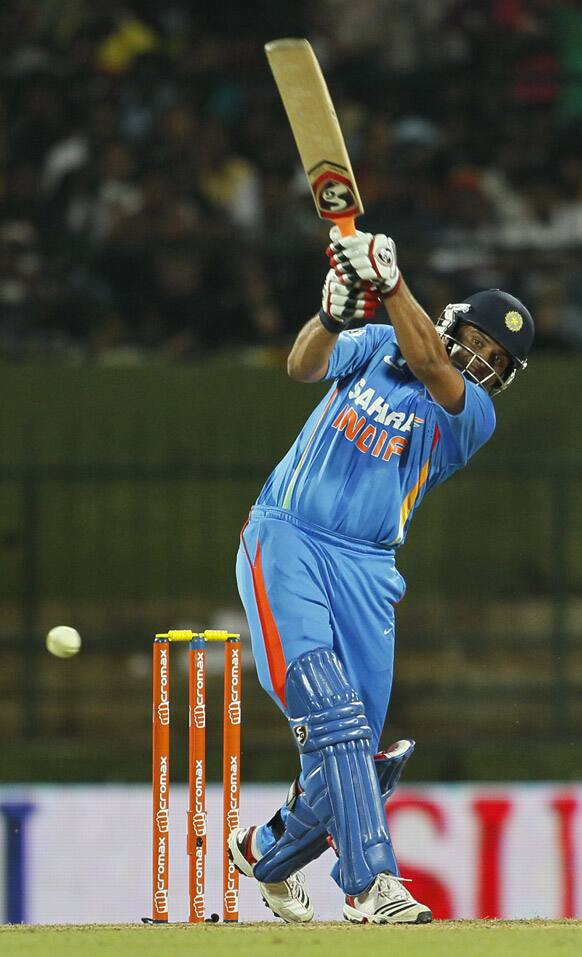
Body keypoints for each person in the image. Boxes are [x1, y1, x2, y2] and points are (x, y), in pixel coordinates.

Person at [228, 227, 535, 924]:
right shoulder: (377, 346)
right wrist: (332, 315)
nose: (479, 361)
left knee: (359, 757)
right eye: (476, 341)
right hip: (288, 538)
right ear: (451, 321)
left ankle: (264, 852)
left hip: (368, 569)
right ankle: (372, 882)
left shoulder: (471, 414)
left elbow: (432, 362)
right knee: (332, 711)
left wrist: (392, 282)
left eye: (495, 359)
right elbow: (304, 365)